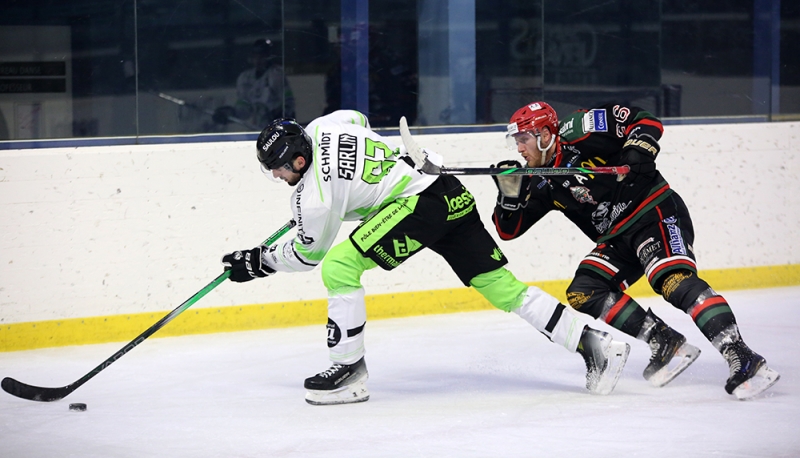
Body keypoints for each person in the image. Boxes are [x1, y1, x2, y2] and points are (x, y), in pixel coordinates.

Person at [220, 110, 631, 405]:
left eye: (277, 168)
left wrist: (259, 261)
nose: (276, 176)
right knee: (503, 289)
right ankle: (594, 344)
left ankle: (348, 371)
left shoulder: (314, 198)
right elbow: (360, 121)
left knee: (340, 266)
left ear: (298, 159)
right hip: (444, 187)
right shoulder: (325, 125)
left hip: (418, 204)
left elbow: (309, 255)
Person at [491, 101, 780, 399]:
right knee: (585, 290)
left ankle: (741, 354)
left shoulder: (579, 129)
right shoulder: (538, 180)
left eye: (523, 139)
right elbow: (508, 230)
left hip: (651, 211)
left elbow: (644, 120)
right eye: (517, 141)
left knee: (672, 281)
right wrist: (509, 197)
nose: (519, 149)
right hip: (616, 238)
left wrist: (639, 148)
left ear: (545, 134)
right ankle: (664, 340)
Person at [213, 38, 295, 129]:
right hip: (257, 130)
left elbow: (288, 103)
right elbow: (244, 109)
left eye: (263, 55)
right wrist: (230, 113)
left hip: (276, 130)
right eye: (256, 55)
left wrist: (281, 116)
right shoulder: (245, 78)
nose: (259, 59)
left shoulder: (276, 75)